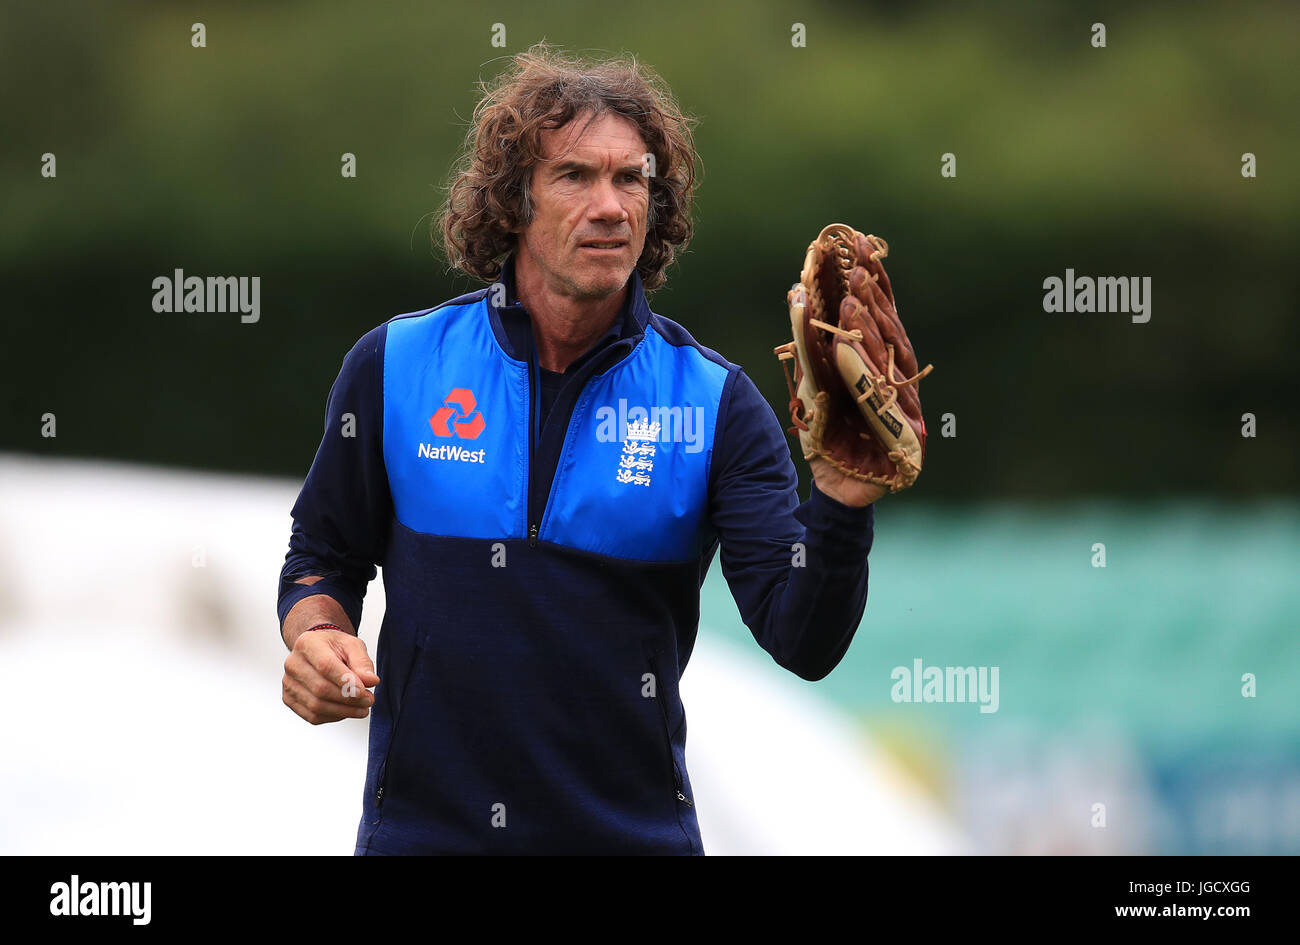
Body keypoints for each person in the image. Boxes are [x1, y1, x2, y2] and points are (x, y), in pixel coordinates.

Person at [277, 45, 881, 855]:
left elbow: (802, 641)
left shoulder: (714, 403)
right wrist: (315, 633)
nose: (611, 205)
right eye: (575, 177)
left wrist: (840, 504)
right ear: (513, 202)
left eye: (631, 179)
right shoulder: (396, 365)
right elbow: (321, 552)